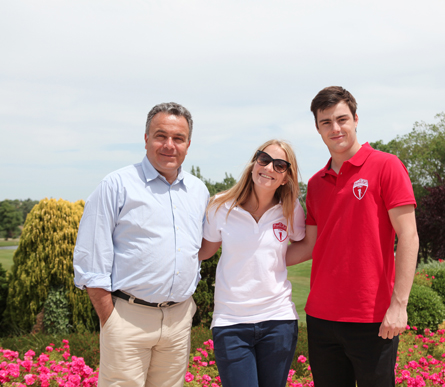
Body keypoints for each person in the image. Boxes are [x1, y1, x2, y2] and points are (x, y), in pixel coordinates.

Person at [286, 86, 419, 387]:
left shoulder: (387, 166)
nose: (335, 128)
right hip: (321, 318)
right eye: (326, 122)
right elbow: (309, 243)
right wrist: (255, 258)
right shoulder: (317, 183)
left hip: (372, 318)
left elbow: (409, 236)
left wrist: (399, 305)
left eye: (342, 119)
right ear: (317, 128)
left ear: (356, 119)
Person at [73, 102, 209, 387]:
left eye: (178, 138)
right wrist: (110, 318)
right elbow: (91, 258)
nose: (169, 145)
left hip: (178, 320)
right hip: (127, 318)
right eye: (161, 135)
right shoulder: (117, 185)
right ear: (146, 138)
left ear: (188, 144)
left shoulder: (198, 191)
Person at [198, 139, 305, 387]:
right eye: (264, 159)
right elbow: (205, 251)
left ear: (286, 177)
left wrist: (275, 260)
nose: (268, 168)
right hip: (231, 322)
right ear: (254, 162)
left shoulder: (290, 209)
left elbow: (303, 242)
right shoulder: (221, 205)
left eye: (279, 165)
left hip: (278, 320)